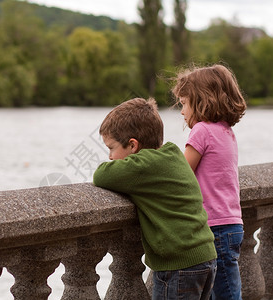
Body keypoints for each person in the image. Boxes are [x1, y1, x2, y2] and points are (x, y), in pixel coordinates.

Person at [93, 97, 217, 300]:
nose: (110, 156)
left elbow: (102, 175)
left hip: (180, 265)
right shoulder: (172, 154)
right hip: (205, 257)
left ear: (133, 145)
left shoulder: (144, 166)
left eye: (111, 148)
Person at [171, 64, 247, 300]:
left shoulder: (202, 131)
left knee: (226, 295)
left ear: (202, 100)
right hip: (232, 225)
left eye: (184, 103)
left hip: (214, 227)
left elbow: (182, 174)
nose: (182, 111)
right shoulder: (226, 131)